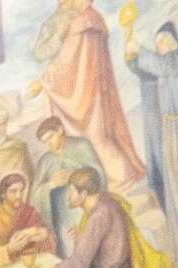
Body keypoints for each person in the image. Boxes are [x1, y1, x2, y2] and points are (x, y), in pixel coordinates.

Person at [28, 0, 144, 190]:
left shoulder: (83, 21)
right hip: (88, 92)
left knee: (93, 138)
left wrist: (45, 81)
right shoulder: (85, 18)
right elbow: (41, 52)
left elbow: (70, 60)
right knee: (95, 137)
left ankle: (113, 180)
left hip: (82, 93)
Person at [126, 22, 178, 268]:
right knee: (170, 190)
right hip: (170, 133)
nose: (162, 47)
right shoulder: (164, 66)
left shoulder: (173, 62)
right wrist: (132, 58)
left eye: (166, 41)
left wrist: (142, 50)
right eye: (159, 43)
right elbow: (148, 72)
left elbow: (165, 65)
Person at [30, 116, 106, 258]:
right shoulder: (45, 161)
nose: (48, 144)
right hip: (61, 216)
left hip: (86, 210)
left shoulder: (81, 145)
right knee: (69, 251)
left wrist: (75, 175)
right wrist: (51, 185)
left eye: (50, 138)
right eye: (44, 142)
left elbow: (99, 174)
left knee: (93, 248)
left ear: (60, 130)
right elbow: (35, 195)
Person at [0, 173, 55, 268]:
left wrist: (43, 235)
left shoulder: (30, 212)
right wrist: (9, 249)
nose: (19, 196)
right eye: (13, 191)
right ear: (3, 194)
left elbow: (48, 243)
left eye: (21, 191)